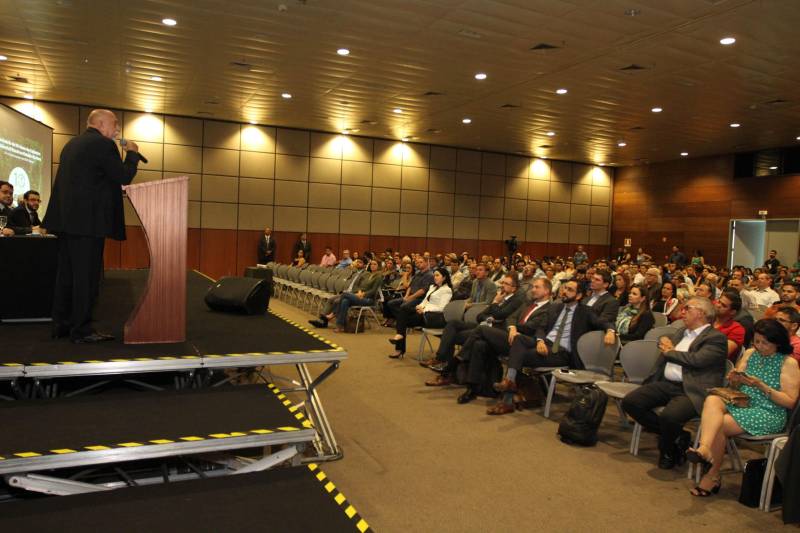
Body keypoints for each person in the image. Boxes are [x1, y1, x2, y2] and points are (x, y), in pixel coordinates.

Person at [42, 109, 142, 343]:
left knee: (66, 276)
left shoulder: (72, 144)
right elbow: (123, 176)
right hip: (88, 225)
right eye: (114, 124)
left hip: (67, 223)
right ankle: (82, 330)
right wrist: (133, 154)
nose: (117, 129)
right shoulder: (103, 145)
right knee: (86, 278)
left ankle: (61, 325)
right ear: (100, 123)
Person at [686, 318, 799, 497]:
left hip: (769, 412)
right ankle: (705, 449)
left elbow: (790, 402)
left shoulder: (788, 363)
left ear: (778, 342)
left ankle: (712, 473)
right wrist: (735, 381)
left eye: (765, 343)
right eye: (756, 341)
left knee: (719, 424)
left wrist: (762, 386)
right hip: (743, 402)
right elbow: (736, 388)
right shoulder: (750, 354)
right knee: (713, 400)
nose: (760, 346)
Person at [621, 297, 728, 469]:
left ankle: (668, 450)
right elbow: (665, 341)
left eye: (687, 308)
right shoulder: (681, 332)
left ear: (701, 313)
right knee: (631, 402)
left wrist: (669, 350)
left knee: (669, 417)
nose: (682, 312)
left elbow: (697, 360)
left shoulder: (716, 338)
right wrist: (663, 341)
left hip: (692, 389)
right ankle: (678, 436)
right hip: (667, 384)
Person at [420, 273, 524, 370]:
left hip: (491, 330)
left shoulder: (514, 300)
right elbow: (480, 316)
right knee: (453, 323)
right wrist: (489, 317)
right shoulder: (500, 296)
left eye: (506, 284)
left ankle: (445, 363)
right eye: (502, 282)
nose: (502, 285)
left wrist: (495, 303)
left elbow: (500, 315)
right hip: (483, 324)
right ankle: (442, 360)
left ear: (514, 288)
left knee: (452, 335)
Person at [388, 267, 452, 358]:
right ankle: (399, 337)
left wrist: (424, 309)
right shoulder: (432, 287)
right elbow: (426, 300)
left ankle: (399, 347)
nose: (435, 277)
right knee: (403, 311)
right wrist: (420, 306)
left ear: (444, 277)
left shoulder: (447, 290)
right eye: (434, 275)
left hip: (433, 316)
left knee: (402, 320)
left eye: (437, 275)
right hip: (423, 312)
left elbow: (442, 308)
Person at [329, 259, 384, 333]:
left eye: (375, 264)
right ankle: (340, 326)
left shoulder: (379, 277)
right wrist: (360, 292)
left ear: (379, 266)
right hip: (362, 296)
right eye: (371, 264)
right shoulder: (370, 275)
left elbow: (373, 291)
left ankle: (333, 314)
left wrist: (363, 294)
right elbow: (364, 287)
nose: (372, 266)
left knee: (345, 294)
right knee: (345, 301)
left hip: (369, 300)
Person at [713, 290, 746, 361]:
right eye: (719, 302)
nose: (718, 305)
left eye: (723, 305)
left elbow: (719, 354)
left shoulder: (737, 329)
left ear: (732, 312)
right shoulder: (707, 319)